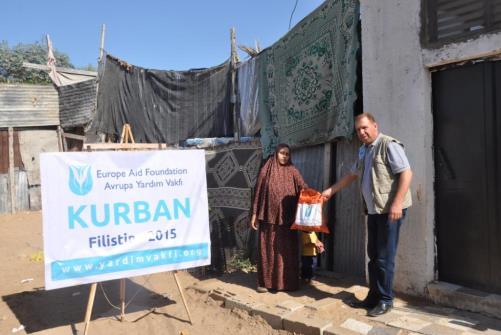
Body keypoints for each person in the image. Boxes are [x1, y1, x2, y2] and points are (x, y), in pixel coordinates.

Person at [322, 113, 412, 317]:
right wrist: (331, 191)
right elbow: (352, 175)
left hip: (390, 211)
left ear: (374, 126)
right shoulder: (363, 150)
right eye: (358, 130)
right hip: (373, 211)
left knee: (384, 257)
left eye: (365, 128)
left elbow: (406, 173)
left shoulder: (389, 145)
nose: (361, 132)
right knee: (373, 255)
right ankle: (374, 296)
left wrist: (397, 203)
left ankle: (386, 300)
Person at [251, 143, 307, 292]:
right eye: (282, 153)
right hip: (268, 218)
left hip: (287, 219)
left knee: (286, 252)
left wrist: (313, 197)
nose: (284, 156)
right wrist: (255, 214)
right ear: (276, 153)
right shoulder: (266, 169)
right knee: (268, 250)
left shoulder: (293, 171)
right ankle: (265, 283)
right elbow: (258, 191)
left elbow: (303, 187)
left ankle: (287, 284)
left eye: (287, 154)